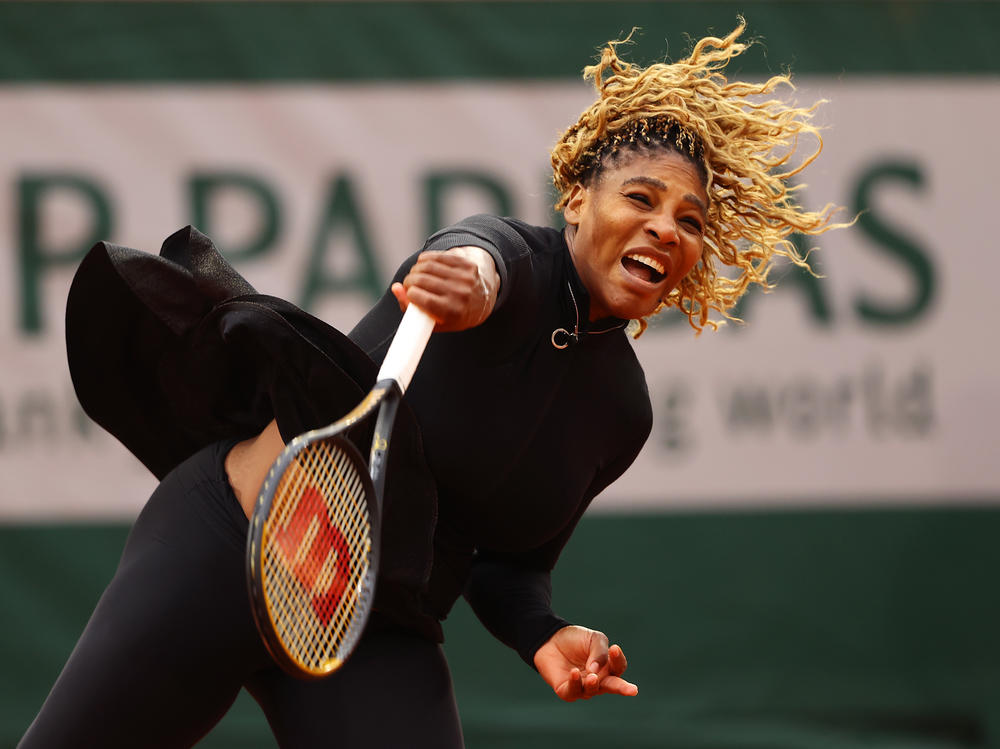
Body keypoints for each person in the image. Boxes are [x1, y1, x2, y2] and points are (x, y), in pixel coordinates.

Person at [20, 20, 839, 749]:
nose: (667, 226)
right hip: (228, 541)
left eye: (690, 220)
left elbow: (507, 564)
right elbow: (475, 262)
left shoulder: (620, 412)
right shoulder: (508, 256)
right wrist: (465, 287)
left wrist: (542, 632)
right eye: (641, 197)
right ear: (576, 200)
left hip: (372, 622)